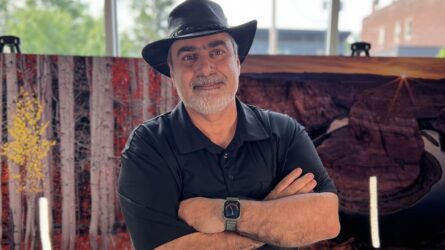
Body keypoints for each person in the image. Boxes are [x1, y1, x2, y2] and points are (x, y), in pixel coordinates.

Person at [118, 0, 340, 249]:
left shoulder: (283, 133)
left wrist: (224, 213)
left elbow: (326, 220)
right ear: (172, 70)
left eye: (217, 52)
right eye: (189, 57)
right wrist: (271, 212)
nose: (204, 68)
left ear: (238, 61)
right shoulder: (149, 146)